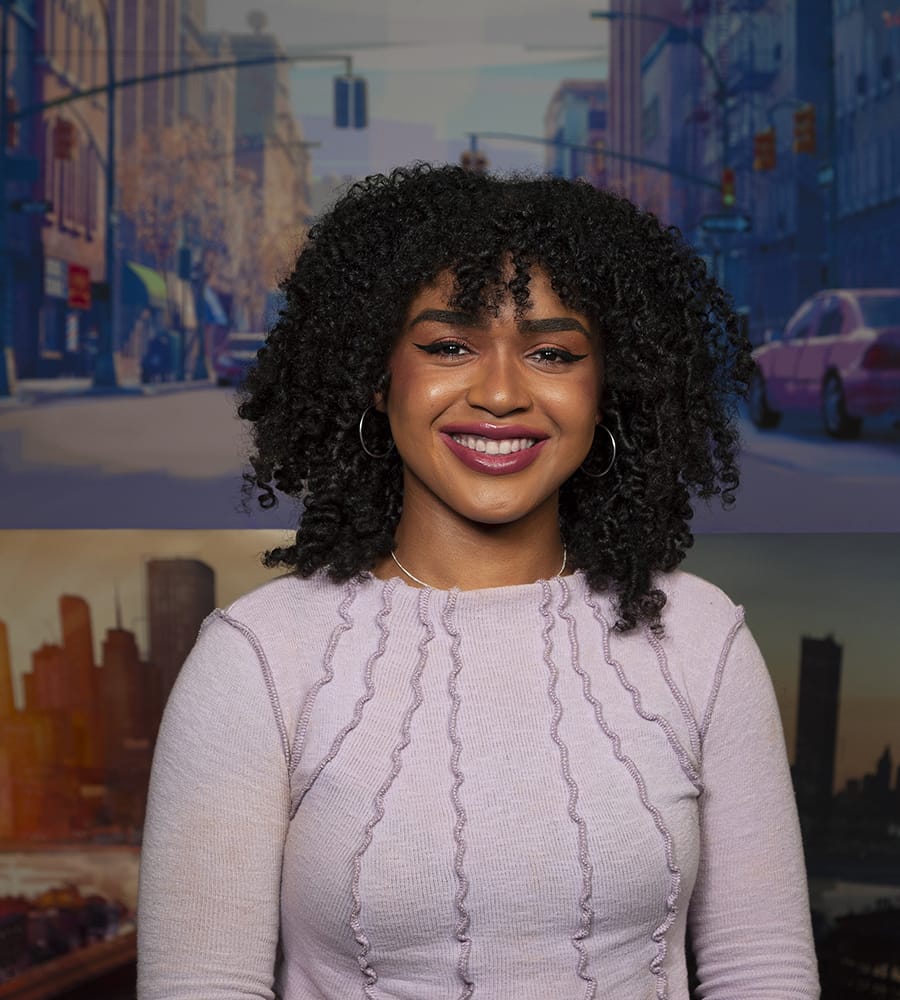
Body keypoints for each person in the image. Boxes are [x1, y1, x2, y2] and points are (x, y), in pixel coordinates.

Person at [137, 165, 819, 999]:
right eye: (448, 345)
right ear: (377, 375)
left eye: (552, 352)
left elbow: (764, 971)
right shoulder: (258, 660)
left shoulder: (702, 638)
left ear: (609, 390)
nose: (499, 392)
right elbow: (202, 983)